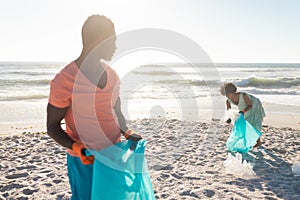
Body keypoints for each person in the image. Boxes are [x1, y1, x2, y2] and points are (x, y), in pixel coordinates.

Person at [47, 14, 142, 200]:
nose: (115, 47)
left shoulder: (112, 75)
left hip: (114, 155)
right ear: (99, 40)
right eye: (112, 41)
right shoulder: (64, 80)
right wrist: (74, 146)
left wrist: (127, 131)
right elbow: (52, 126)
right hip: (85, 159)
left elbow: (116, 112)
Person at [220, 82, 266, 147]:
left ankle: (258, 142)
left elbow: (250, 105)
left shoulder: (243, 95)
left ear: (233, 92)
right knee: (245, 123)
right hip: (244, 109)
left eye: (228, 94)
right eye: (226, 95)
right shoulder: (228, 100)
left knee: (254, 123)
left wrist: (243, 111)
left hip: (254, 105)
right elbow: (229, 111)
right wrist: (229, 118)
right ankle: (251, 141)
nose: (227, 96)